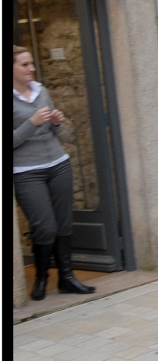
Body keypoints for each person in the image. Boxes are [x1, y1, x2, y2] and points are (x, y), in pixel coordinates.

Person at [14, 46, 96, 301]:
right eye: (25, 65)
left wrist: (57, 123)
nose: (32, 68)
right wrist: (32, 123)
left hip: (58, 163)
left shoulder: (43, 91)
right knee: (45, 227)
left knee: (63, 223)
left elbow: (59, 133)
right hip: (27, 171)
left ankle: (67, 278)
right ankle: (41, 277)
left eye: (31, 64)